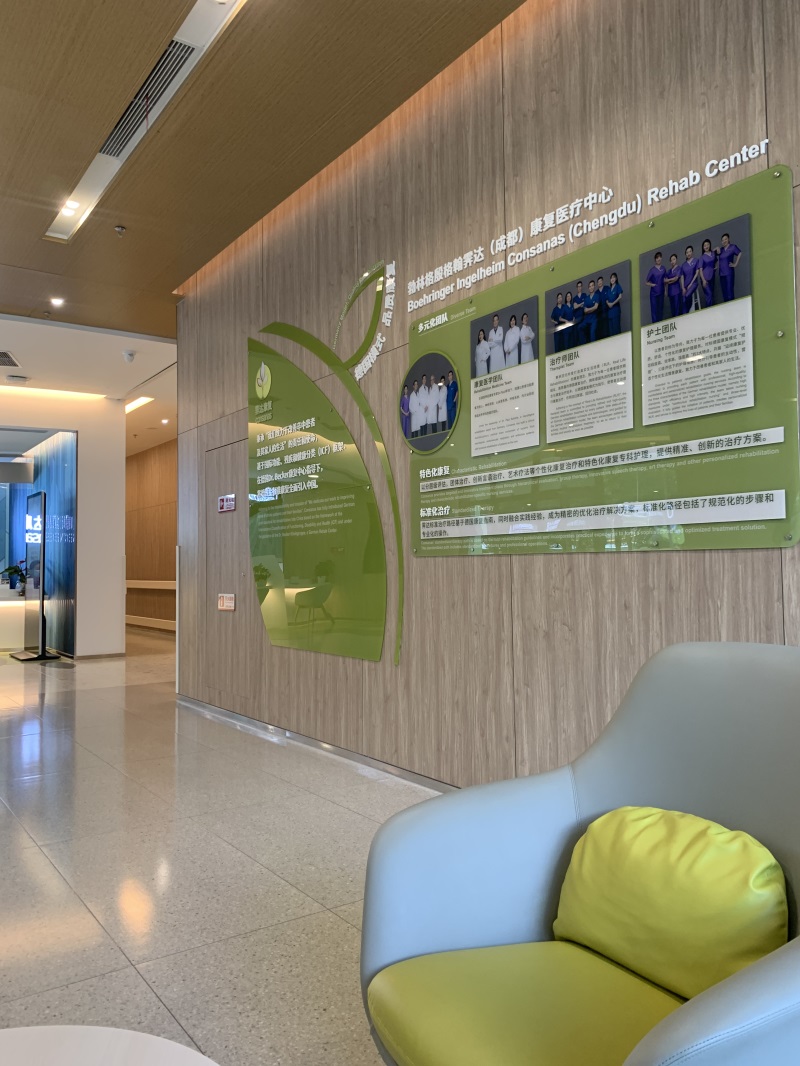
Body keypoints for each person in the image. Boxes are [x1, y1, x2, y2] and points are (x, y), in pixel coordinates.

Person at [716, 232, 742, 302]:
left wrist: (735, 264)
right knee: (724, 294)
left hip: (729, 273)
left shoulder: (733, 247)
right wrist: (716, 248)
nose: (724, 241)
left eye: (725, 239)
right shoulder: (721, 250)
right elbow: (711, 253)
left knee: (730, 292)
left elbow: (739, 253)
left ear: (728, 239)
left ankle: (732, 307)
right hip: (721, 274)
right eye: (722, 240)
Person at [645, 252, 666, 323]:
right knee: (654, 309)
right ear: (655, 260)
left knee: (661, 308)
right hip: (654, 293)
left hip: (661, 291)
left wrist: (666, 290)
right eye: (657, 258)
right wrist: (652, 285)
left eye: (660, 257)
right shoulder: (652, 270)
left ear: (661, 258)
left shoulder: (663, 268)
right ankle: (654, 324)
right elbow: (646, 282)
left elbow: (665, 280)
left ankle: (660, 324)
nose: (658, 259)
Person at [680, 245, 700, 313]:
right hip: (685, 285)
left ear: (692, 252)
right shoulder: (683, 265)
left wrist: (691, 284)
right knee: (683, 300)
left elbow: (697, 273)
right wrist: (683, 288)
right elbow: (682, 277)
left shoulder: (696, 261)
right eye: (687, 252)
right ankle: (685, 315)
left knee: (687, 296)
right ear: (685, 254)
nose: (688, 253)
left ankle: (687, 312)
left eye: (690, 251)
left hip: (693, 283)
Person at [699, 238, 717, 307]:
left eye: (707, 245)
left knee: (712, 295)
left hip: (712, 277)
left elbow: (716, 260)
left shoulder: (713, 253)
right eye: (704, 245)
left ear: (710, 245)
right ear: (703, 247)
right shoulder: (702, 257)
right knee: (709, 295)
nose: (706, 246)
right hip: (705, 279)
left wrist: (715, 266)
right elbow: (700, 270)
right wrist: (703, 280)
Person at [665, 253, 682, 319]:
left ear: (676, 260)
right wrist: (670, 280)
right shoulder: (669, 271)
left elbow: (676, 279)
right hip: (670, 292)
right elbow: (664, 281)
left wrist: (669, 281)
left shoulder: (679, 268)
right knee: (672, 309)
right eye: (671, 260)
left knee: (677, 308)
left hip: (676, 291)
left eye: (674, 259)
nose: (672, 261)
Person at [583, 278, 600, 343]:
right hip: (587, 319)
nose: (591, 287)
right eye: (590, 286)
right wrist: (591, 309)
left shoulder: (597, 296)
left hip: (594, 319)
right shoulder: (586, 298)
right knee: (581, 329)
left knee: (592, 333)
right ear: (588, 288)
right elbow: (585, 311)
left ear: (594, 286)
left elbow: (596, 307)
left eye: (592, 285)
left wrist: (588, 310)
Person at [572, 280, 586, 345]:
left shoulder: (584, 295)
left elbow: (585, 305)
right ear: (577, 287)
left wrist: (578, 305)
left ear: (582, 287)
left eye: (580, 286)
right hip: (576, 319)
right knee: (576, 335)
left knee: (582, 334)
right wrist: (581, 304)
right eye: (578, 286)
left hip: (583, 318)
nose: (579, 288)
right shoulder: (575, 298)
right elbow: (575, 307)